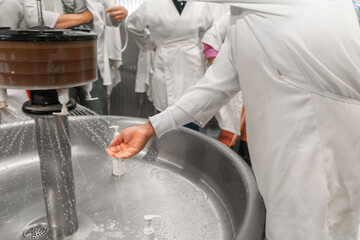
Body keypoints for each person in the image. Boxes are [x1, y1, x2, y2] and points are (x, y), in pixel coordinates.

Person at [107, 0, 360, 239]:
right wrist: (151, 127)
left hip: (321, 154)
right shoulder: (244, 18)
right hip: (281, 158)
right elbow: (214, 86)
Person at [126, 0, 226, 131]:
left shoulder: (201, 4)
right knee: (166, 118)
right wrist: (151, 44)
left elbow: (209, 30)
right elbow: (132, 25)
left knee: (192, 109)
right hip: (167, 62)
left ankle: (191, 145)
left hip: (192, 65)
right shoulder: (153, 4)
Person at [23, 0, 127, 115]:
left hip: (90, 59)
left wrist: (118, 15)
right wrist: (84, 17)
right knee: (61, 113)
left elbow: (103, 17)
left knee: (97, 113)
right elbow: (34, 19)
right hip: (55, 63)